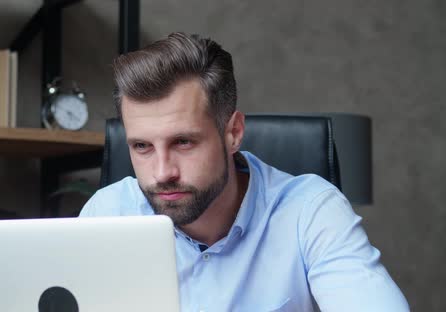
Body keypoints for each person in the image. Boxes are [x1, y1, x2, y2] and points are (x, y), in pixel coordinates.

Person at [79, 32, 409, 311]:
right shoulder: (106, 214)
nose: (162, 172)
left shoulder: (311, 212)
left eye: (183, 142)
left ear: (233, 132)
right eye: (142, 147)